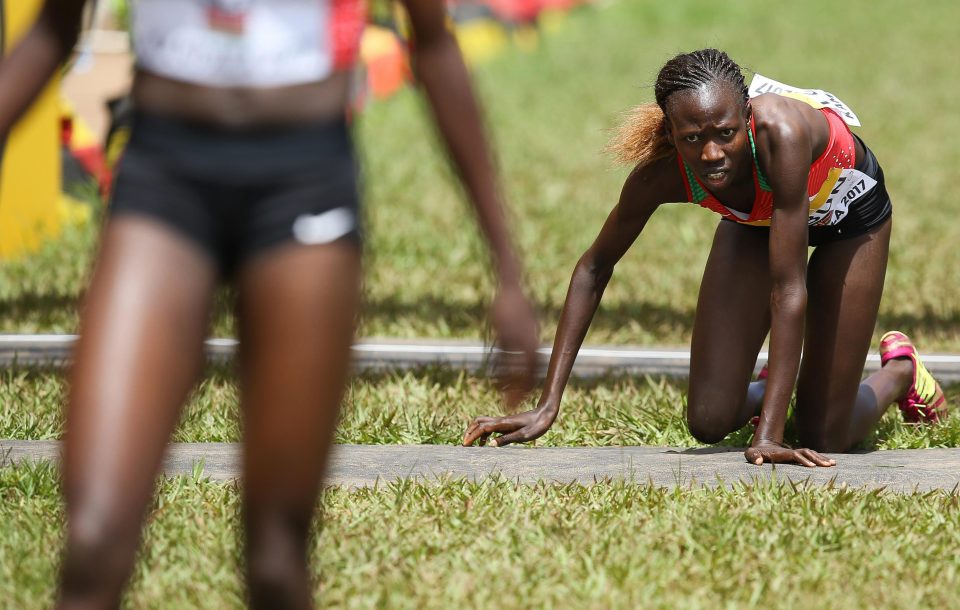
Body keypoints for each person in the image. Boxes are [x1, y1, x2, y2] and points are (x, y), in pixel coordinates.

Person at [0, 1, 539, 607]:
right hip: (162, 179)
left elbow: (434, 44)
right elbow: (50, 31)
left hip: (301, 182)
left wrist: (507, 270)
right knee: (94, 542)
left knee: (276, 560)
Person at [462, 48, 948, 467]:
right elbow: (594, 267)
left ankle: (901, 371)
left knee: (825, 434)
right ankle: (772, 384)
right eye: (693, 139)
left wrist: (769, 438)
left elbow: (790, 288)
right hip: (757, 223)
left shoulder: (781, 135)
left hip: (850, 221)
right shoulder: (661, 176)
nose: (713, 154)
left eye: (726, 133)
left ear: (747, 119)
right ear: (671, 134)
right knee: (709, 421)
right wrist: (547, 405)